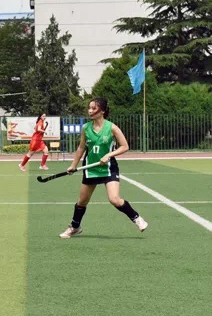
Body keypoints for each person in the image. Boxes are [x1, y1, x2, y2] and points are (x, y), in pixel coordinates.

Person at [59, 98, 148, 239]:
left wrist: (109, 155)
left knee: (114, 199)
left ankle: (136, 218)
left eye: (94, 108)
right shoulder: (86, 128)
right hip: (90, 168)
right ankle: (75, 227)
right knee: (82, 201)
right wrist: (73, 165)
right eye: (89, 108)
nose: (90, 111)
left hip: (108, 168)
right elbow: (81, 147)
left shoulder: (112, 128)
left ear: (102, 111)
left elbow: (125, 146)